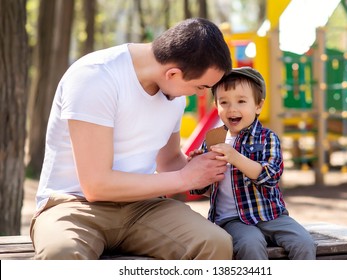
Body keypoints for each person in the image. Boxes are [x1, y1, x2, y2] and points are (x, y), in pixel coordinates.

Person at [30, 17, 234, 260]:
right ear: (173, 73)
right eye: (201, 87)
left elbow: (169, 161)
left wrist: (204, 168)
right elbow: (96, 185)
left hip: (143, 207)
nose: (200, 94)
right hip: (73, 205)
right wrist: (184, 178)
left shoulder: (175, 96)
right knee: (61, 255)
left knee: (215, 243)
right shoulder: (95, 77)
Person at [190, 67, 316, 260]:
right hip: (232, 220)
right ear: (216, 105)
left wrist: (235, 157)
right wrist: (196, 167)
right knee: (251, 244)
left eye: (241, 101)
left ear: (258, 106)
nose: (232, 108)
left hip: (272, 215)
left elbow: (271, 176)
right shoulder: (212, 140)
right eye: (224, 102)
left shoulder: (268, 138)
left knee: (304, 243)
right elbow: (201, 189)